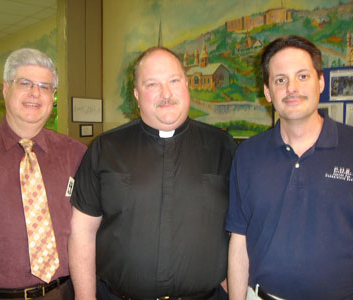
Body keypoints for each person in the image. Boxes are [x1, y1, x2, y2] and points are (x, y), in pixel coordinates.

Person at [69, 47, 236, 300]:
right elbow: (82, 232)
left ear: (187, 84)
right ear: (136, 95)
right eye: (152, 84)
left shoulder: (224, 147)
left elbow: (242, 227)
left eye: (174, 81)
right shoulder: (105, 149)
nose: (166, 94)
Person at [226, 35, 353, 300]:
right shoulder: (247, 155)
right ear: (267, 92)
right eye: (280, 80)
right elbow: (239, 241)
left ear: (321, 82)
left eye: (303, 76)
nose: (291, 88)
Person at [0, 48, 87, 299]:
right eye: (25, 83)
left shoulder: (76, 154)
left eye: (44, 86)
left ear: (53, 96)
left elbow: (87, 232)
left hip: (60, 293)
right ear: (6, 89)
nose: (35, 93)